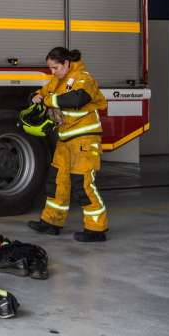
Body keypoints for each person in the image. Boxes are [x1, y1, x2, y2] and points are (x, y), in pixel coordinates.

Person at [27, 47, 109, 242]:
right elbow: (40, 93)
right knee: (57, 182)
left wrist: (48, 100)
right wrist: (34, 96)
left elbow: (77, 99)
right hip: (65, 140)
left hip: (85, 140)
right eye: (50, 69)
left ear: (66, 63)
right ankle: (51, 223)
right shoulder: (57, 81)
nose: (52, 72)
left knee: (83, 185)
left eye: (55, 68)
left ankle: (96, 230)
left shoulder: (84, 78)